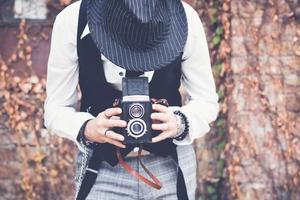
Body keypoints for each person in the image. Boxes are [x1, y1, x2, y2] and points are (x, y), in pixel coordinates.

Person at [44, 0, 219, 199]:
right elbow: (54, 109)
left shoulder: (186, 19)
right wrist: (87, 128)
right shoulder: (72, 21)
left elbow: (207, 101)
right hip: (100, 169)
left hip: (171, 166)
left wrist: (179, 123)